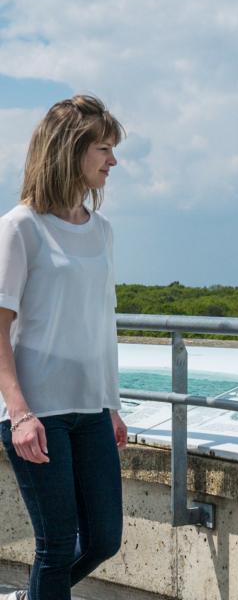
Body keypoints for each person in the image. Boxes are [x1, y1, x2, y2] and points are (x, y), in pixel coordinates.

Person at [0, 95, 128, 600]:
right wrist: (19, 412)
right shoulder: (20, 228)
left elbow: (102, 325)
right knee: (55, 546)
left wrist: (112, 404)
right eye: (103, 149)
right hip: (38, 413)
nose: (112, 161)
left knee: (102, 540)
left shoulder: (103, 233)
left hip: (91, 411)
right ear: (69, 151)